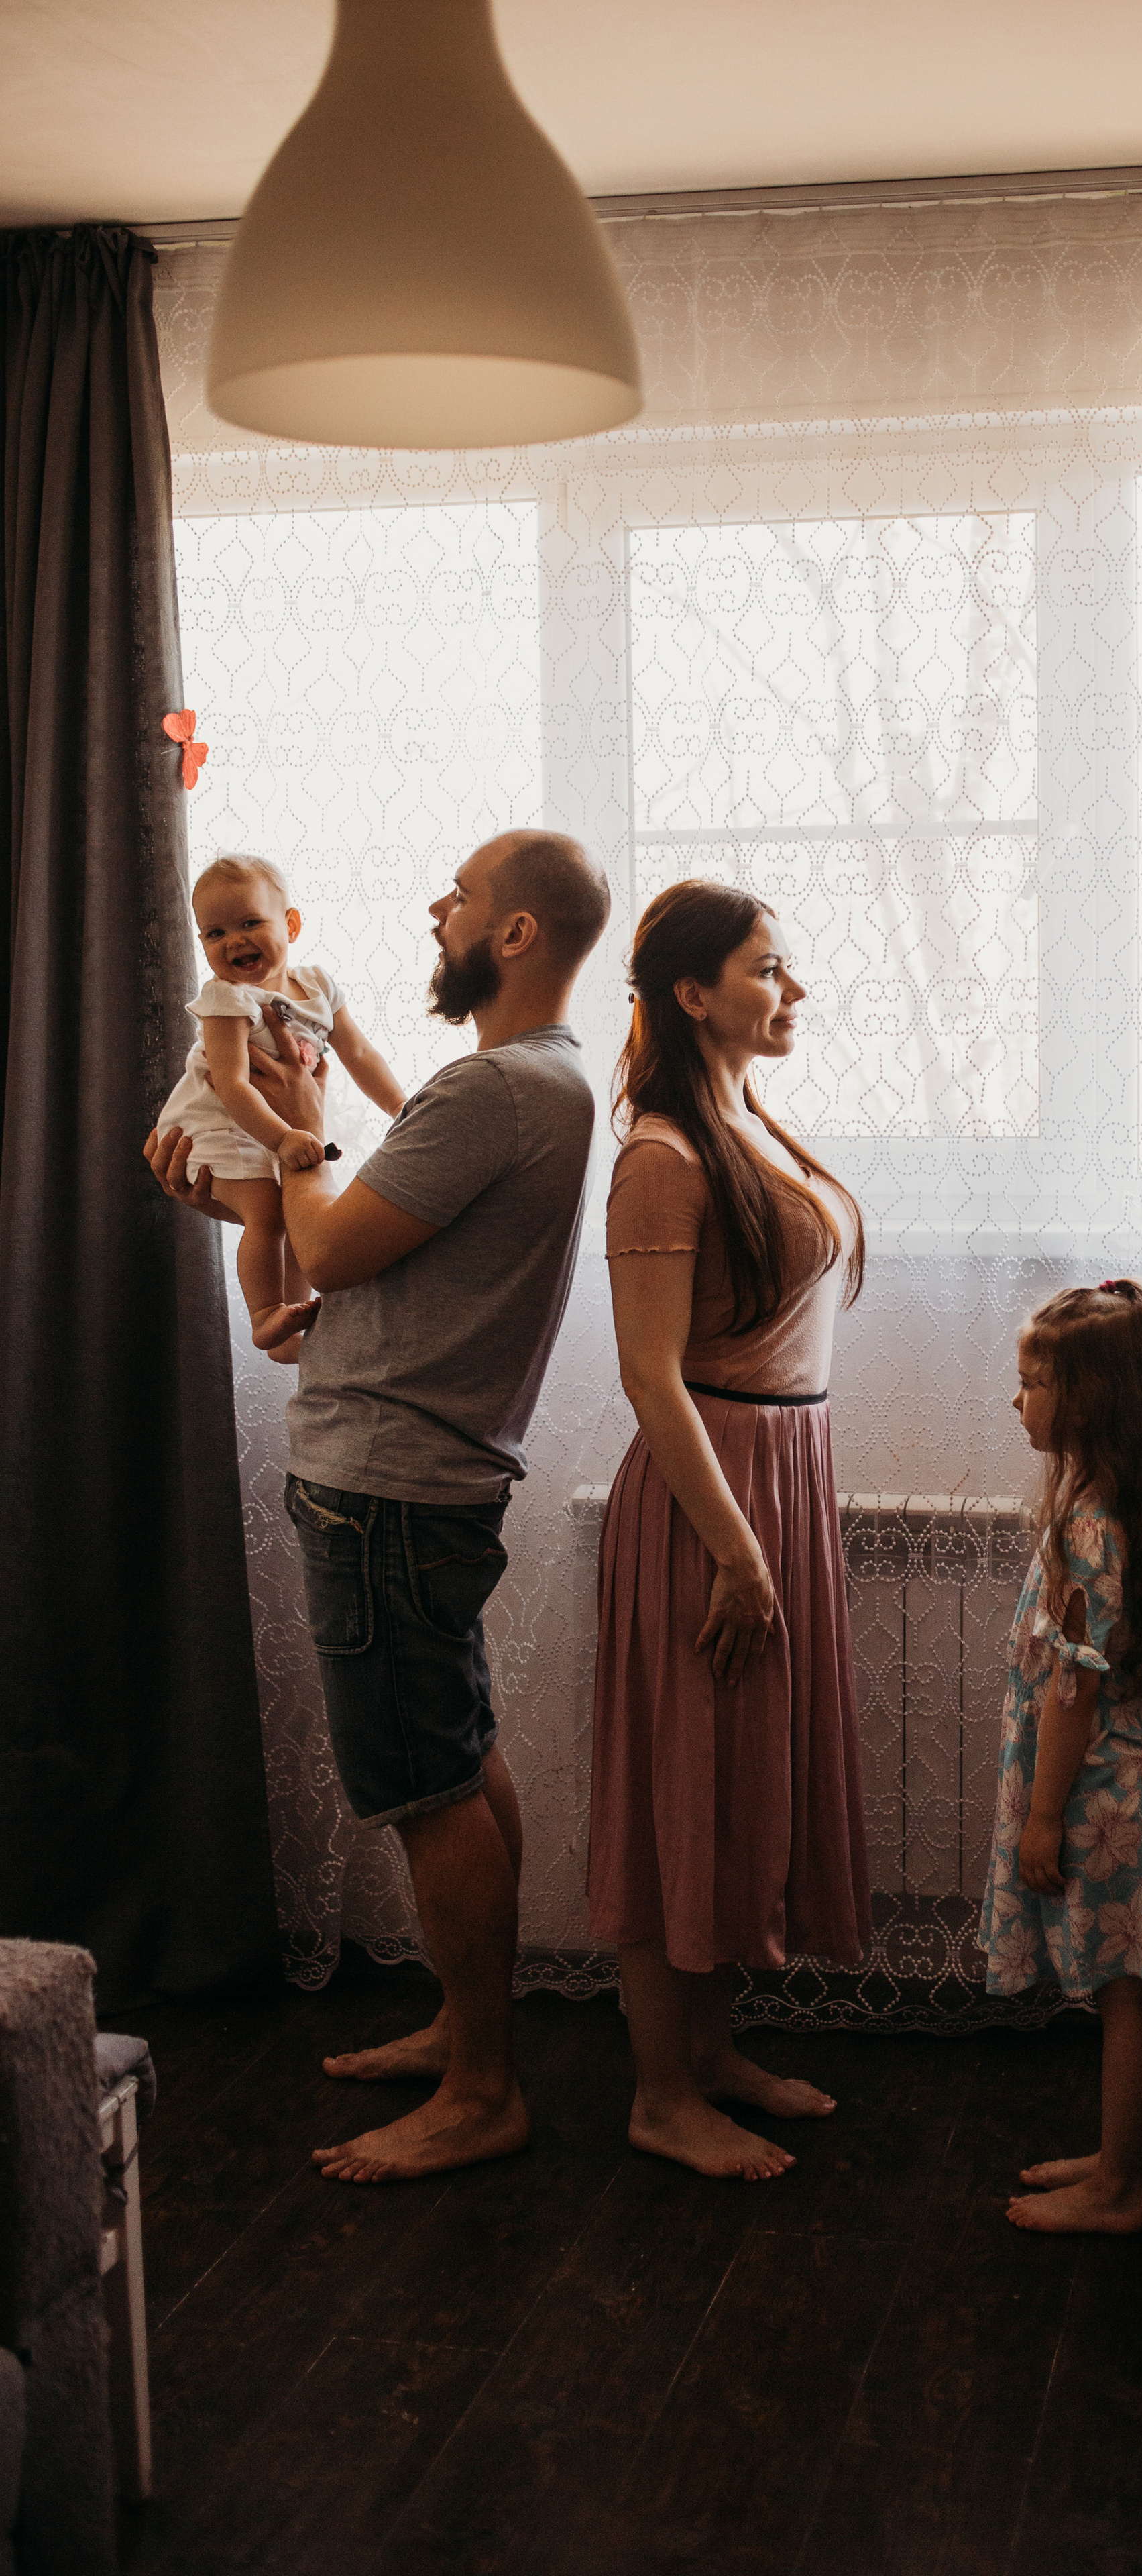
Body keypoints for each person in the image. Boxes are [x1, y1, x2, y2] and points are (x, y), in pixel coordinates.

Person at [144, 830, 611, 2184]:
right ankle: (473, 2034)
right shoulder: (543, 1081)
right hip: (423, 1470)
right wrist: (236, 1178)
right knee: (457, 1757)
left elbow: (337, 1239)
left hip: (388, 1480)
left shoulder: (492, 1087)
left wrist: (290, 1116)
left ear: (514, 934)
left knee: (425, 1788)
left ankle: (480, 2089)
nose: (434, 905)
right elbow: (358, 1249)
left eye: (460, 894)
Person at [587, 881, 870, 2183]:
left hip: (775, 1474)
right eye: (769, 967)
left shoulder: (743, 1119)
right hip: (711, 1498)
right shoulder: (659, 1151)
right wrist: (739, 1547)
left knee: (735, 1780)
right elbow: (649, 1377)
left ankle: (711, 2056)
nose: (792, 989)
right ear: (692, 992)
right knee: (675, 1793)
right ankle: (658, 2093)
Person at [980, 1281, 1142, 2234]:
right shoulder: (1120, 1507)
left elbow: (1073, 1689)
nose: (1017, 1399)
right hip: (1130, 1782)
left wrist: (1042, 1814)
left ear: (1091, 1400)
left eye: (1033, 1383)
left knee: (1128, 1994)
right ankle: (1122, 2158)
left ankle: (1119, 2188)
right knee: (1133, 1988)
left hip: (1100, 1795)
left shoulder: (1086, 1529)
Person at [156, 854, 404, 1362]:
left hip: (273, 1124)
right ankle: (268, 1313)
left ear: (290, 924)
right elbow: (230, 1084)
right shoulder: (227, 999)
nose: (234, 941)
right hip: (215, 1125)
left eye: (250, 923)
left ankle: (294, 1317)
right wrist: (283, 1138)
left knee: (302, 1214)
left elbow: (359, 1054)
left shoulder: (317, 987)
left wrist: (403, 1107)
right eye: (214, 933)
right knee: (267, 1210)